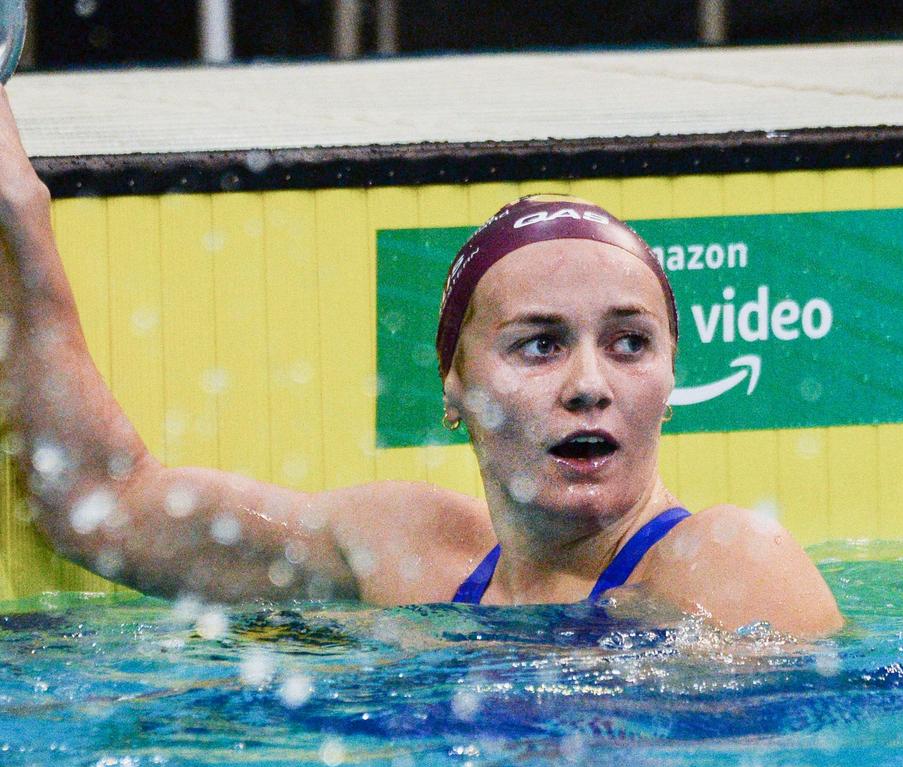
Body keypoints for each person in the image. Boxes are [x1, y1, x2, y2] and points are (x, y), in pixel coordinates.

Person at [0, 86, 843, 637]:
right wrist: (20, 214)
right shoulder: (404, 553)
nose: (591, 386)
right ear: (457, 389)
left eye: (630, 343)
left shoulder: (726, 562)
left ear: (668, 384)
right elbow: (98, 505)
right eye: (539, 345)